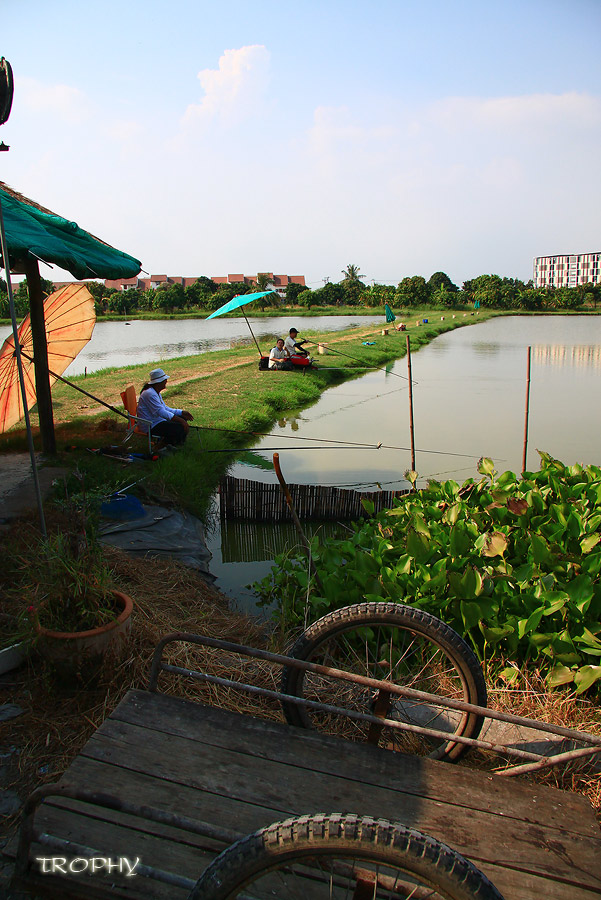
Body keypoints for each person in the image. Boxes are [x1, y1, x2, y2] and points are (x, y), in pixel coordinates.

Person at [136, 368, 193, 445]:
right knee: (179, 427)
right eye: (164, 380)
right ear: (159, 382)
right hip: (150, 425)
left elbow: (164, 408)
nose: (166, 381)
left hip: (157, 421)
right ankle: (166, 445)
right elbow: (161, 412)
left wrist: (181, 413)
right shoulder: (150, 394)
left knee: (182, 419)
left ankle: (176, 443)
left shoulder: (155, 392)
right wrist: (180, 420)